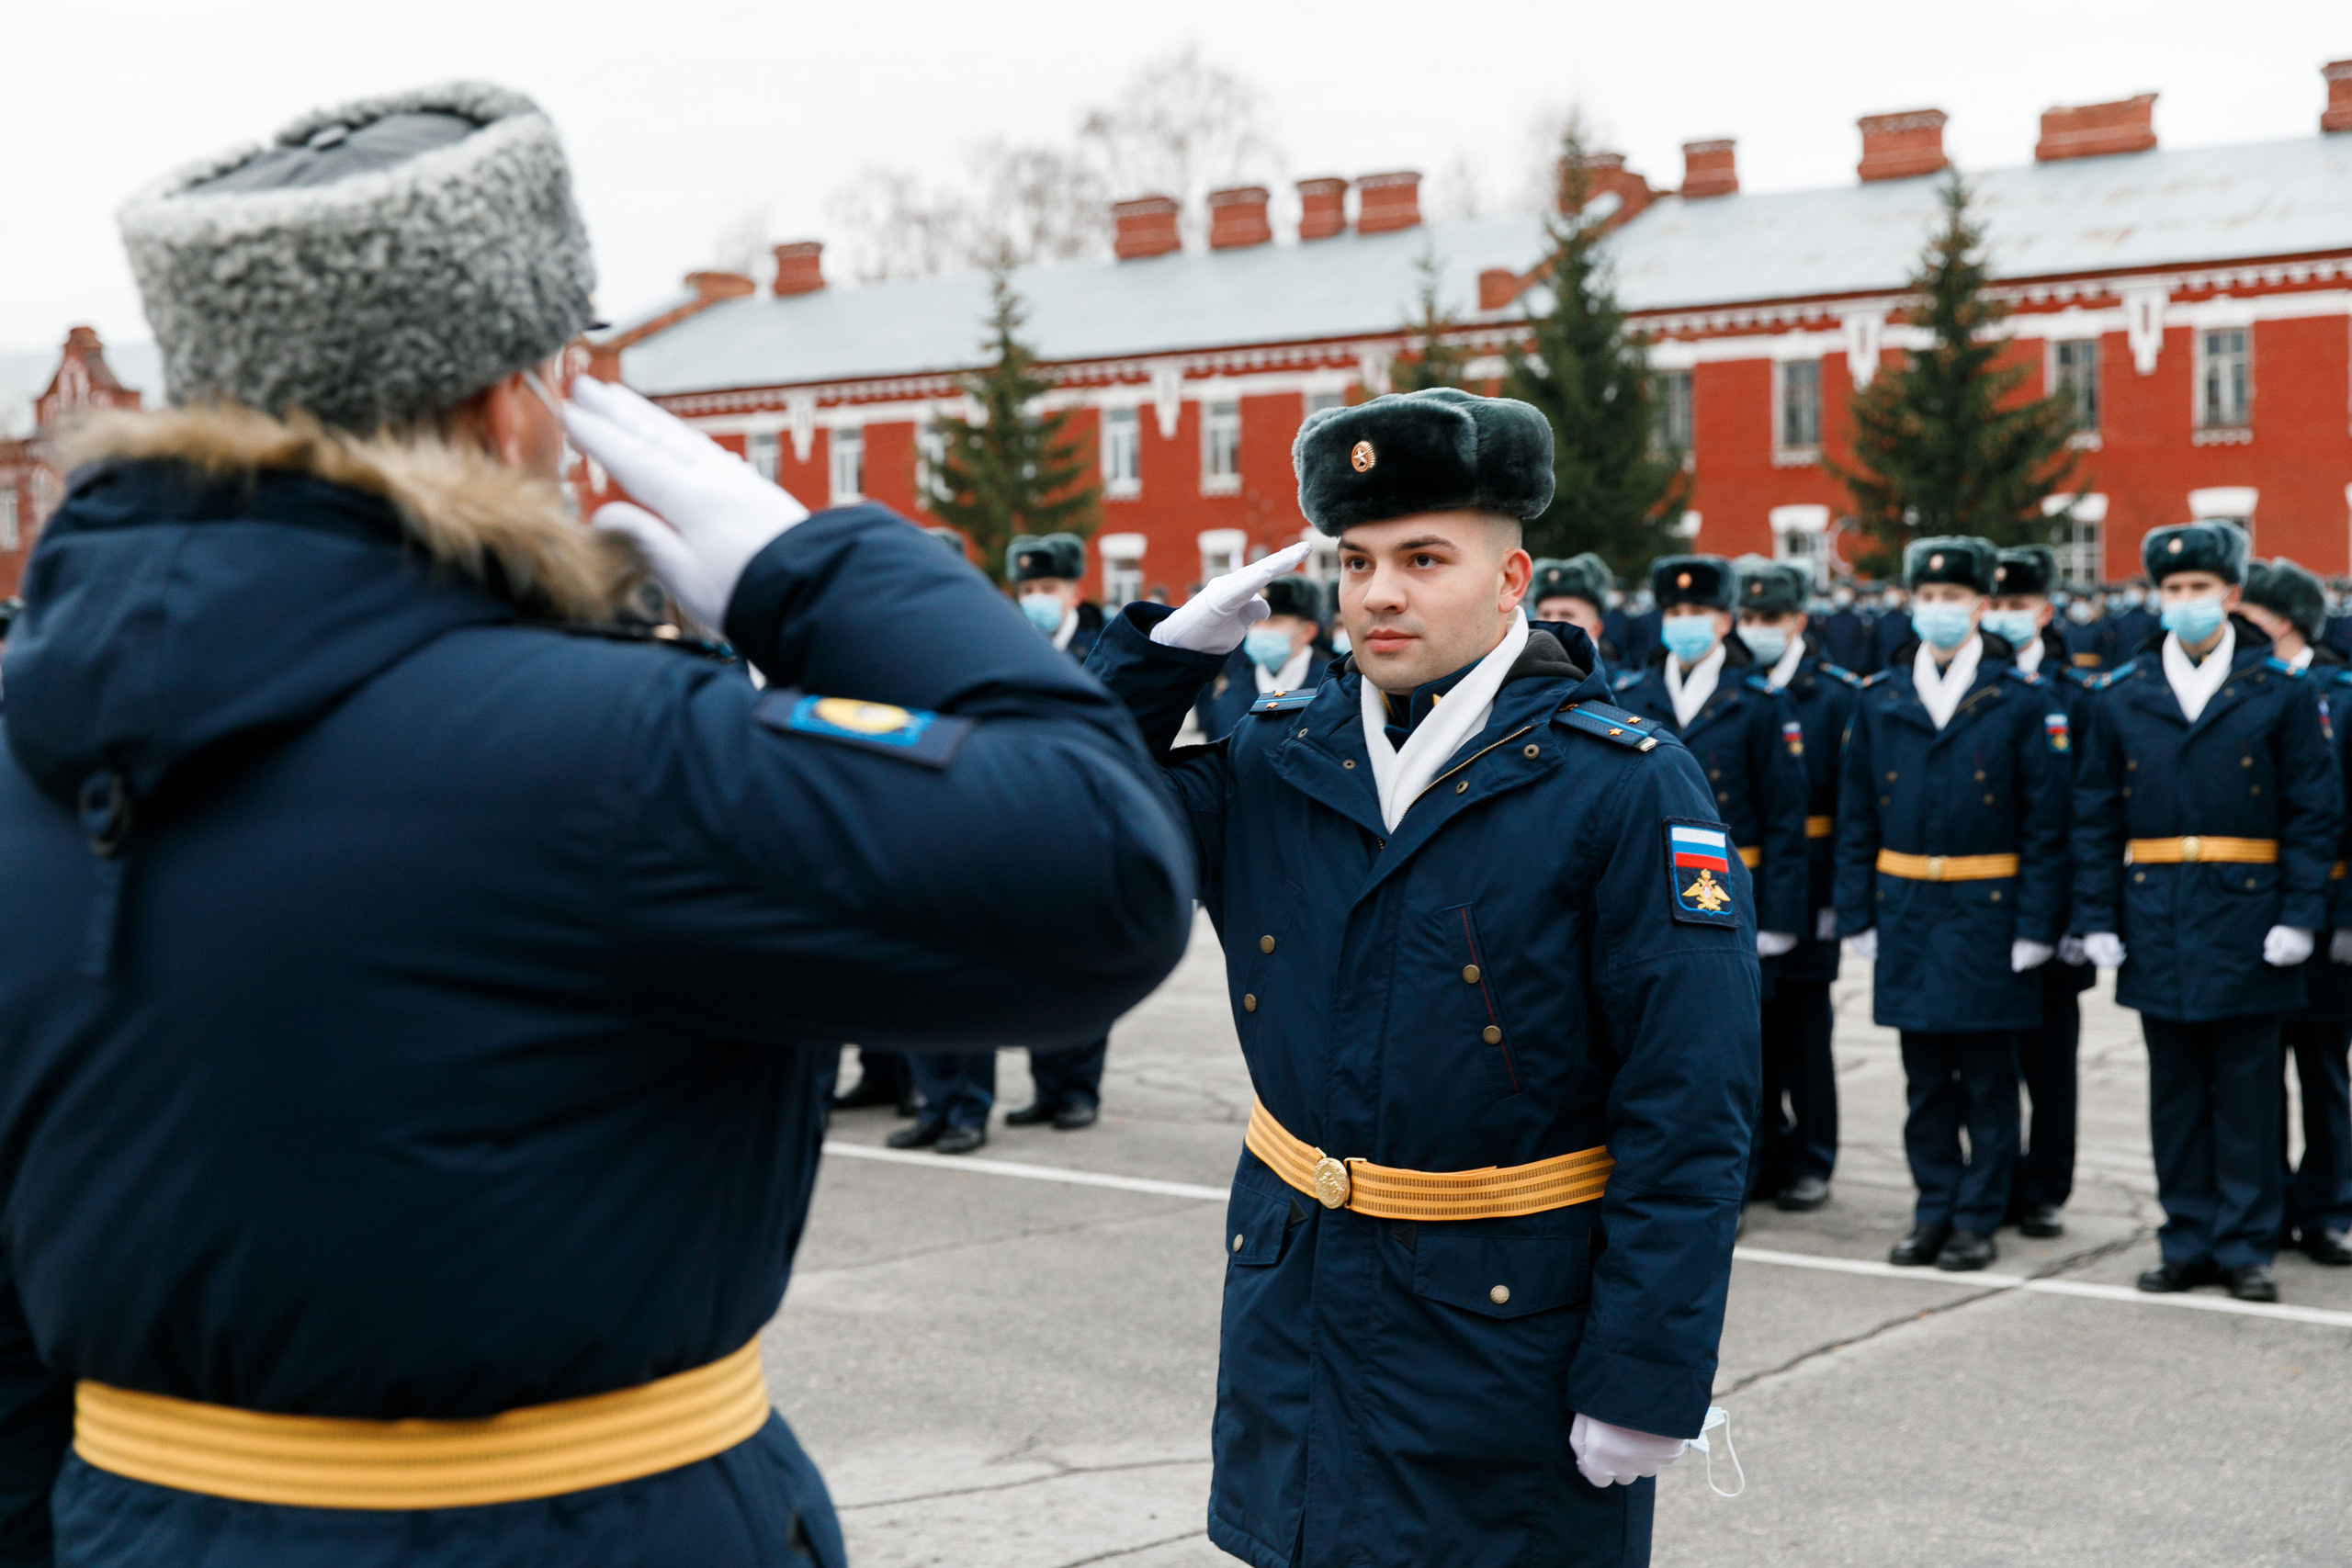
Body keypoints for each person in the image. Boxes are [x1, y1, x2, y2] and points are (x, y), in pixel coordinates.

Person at [0, 84, 1194, 1566]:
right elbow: (1103, 867)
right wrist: (818, 574)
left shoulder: (24, 745)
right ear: (510, 403)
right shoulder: (607, 749)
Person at [1088, 386, 1758, 1566]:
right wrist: (1155, 667)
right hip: (1298, 1310)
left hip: (1503, 1343)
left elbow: (1689, 1105)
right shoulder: (1274, 759)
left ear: (1512, 581)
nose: (1379, 592)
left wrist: (1646, 1372)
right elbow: (1062, 819)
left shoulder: (1621, 785)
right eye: (1355, 560)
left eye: (1423, 557)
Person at [2073, 522, 2339, 1303]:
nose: (2186, 602)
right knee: (2176, 1089)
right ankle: (2186, 1236)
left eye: (2201, 588)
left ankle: (2248, 1243)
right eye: (2173, 589)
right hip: (2157, 911)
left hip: (2249, 915)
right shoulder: (2123, 693)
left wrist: (2300, 914)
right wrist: (2098, 917)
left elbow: (2312, 811)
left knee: (2249, 1089)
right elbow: (2093, 814)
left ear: (2231, 594)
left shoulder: (2281, 691)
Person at [1837, 537, 2070, 1273]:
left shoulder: (2019, 698)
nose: (1940, 609)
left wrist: (2037, 925)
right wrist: (1858, 913)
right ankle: (1932, 1207)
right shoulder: (1881, 697)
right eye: (1928, 597)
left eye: (1956, 598)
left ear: (1979, 605)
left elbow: (2046, 823)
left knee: (1991, 1080)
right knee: (1926, 1080)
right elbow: (1855, 817)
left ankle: (1978, 1215)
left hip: (1987, 911)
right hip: (1907, 905)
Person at [1611, 555, 1810, 966]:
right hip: (1648, 892)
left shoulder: (1761, 703)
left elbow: (1785, 816)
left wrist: (1779, 917)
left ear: (1723, 621)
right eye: (1675, 612)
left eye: (1698, 611)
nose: (1685, 621)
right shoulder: (1629, 696)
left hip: (1737, 886)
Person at [2236, 558, 2352, 1265]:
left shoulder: (2340, 694)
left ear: (2280, 620)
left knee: (2323, 1070)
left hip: (2330, 906)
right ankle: (2268, 1200)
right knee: (2254, 1072)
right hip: (2255, 905)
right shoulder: (2248, 689)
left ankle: (2330, 1206)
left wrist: (2346, 918)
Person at [1735, 558, 1860, 1211]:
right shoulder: (1737, 687)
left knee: (1806, 1032)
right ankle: (1766, 1150)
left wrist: (1839, 897)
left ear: (1799, 621)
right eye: (1750, 618)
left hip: (1809, 880)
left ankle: (1813, 1154)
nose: (1758, 630)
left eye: (1771, 619)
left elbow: (1848, 804)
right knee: (1750, 1032)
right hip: (1745, 878)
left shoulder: (1835, 694)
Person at [1983, 545, 2098, 1237]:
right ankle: (1993, 1181)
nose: (2003, 616)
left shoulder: (2076, 694)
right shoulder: (1978, 683)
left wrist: (2082, 915)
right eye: (1993, 603)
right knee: (1988, 1057)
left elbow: (2088, 813)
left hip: (2053, 906)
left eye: (2016, 604)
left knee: (2051, 1062)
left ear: (2046, 611)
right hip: (1984, 902)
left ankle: (2046, 1185)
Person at [1001, 531, 1125, 1133]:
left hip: (1085, 821)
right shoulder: (1009, 645)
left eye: (1047, 586)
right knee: (1035, 964)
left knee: (1080, 960)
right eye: (1027, 588)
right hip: (1025, 823)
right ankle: (1046, 1086)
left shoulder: (1104, 648)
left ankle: (1079, 1087)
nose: (1036, 598)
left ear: (1074, 587)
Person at [1193, 572, 1326, 740]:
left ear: (1307, 631)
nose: (1261, 630)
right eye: (1256, 622)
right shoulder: (1232, 693)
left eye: (1274, 621)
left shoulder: (1330, 689)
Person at [1530, 553, 1622, 669]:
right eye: (1545, 614)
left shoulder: (1619, 684)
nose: (1552, 622)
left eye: (1567, 615)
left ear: (1595, 629)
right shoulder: (1514, 678)